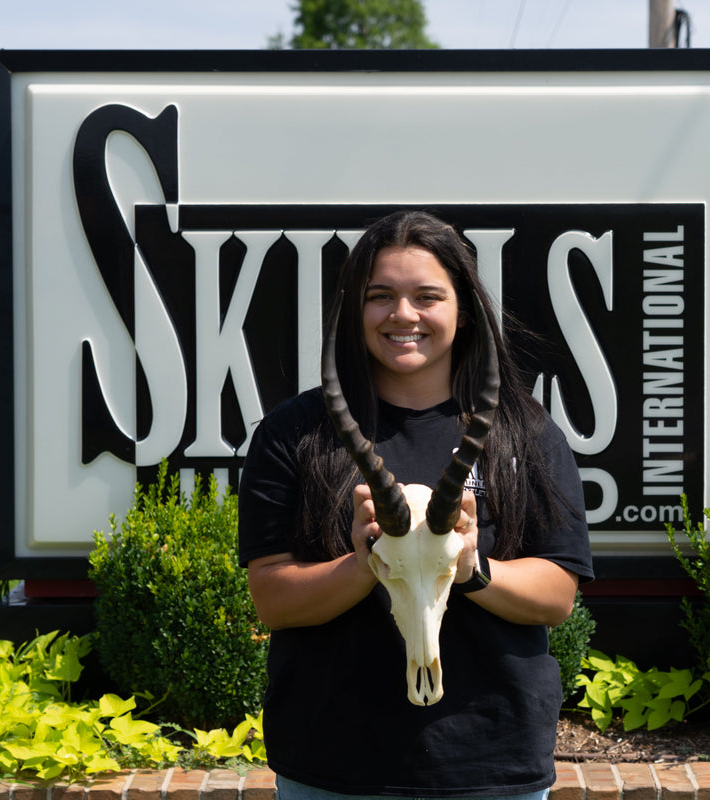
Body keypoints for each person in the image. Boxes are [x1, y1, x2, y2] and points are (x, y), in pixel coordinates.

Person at [238, 210, 594, 800]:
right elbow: (273, 599)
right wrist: (367, 561)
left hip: (491, 766)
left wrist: (471, 567)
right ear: (356, 308)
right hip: (332, 766)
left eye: (427, 296)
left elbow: (556, 595)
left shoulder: (524, 433)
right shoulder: (294, 434)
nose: (403, 315)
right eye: (381, 296)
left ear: (463, 308)